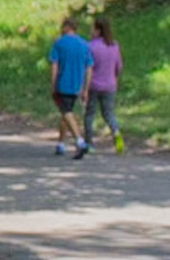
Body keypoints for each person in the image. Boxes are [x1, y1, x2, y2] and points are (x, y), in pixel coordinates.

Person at [48, 16, 94, 159]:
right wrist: (86, 88)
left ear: (67, 27)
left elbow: (54, 65)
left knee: (66, 112)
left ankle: (79, 141)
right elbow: (89, 67)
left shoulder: (59, 44)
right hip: (77, 84)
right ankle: (60, 143)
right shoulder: (84, 45)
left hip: (63, 83)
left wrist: (53, 83)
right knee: (65, 113)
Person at [84, 14, 124, 152]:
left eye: (92, 28)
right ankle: (116, 132)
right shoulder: (114, 45)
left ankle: (89, 143)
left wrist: (84, 87)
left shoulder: (90, 47)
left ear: (98, 30)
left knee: (89, 114)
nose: (91, 31)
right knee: (108, 113)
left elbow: (87, 67)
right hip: (110, 85)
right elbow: (119, 66)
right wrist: (115, 78)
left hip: (94, 85)